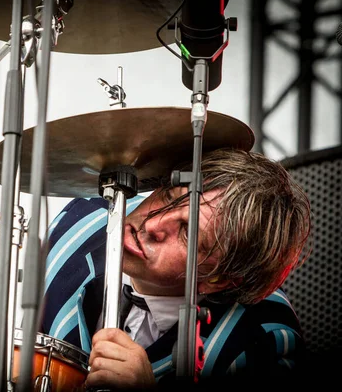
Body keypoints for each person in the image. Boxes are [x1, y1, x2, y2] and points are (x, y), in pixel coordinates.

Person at [40, 148, 311, 390]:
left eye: (188, 233)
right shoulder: (76, 227)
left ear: (218, 280)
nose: (153, 224)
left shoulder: (264, 342)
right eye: (168, 196)